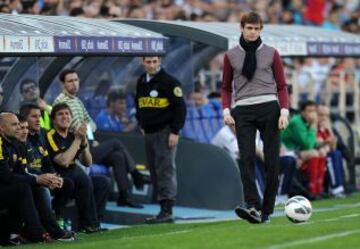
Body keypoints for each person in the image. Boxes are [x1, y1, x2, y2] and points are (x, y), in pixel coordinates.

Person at [221, 12, 289, 223]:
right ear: (241, 28)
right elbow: (225, 87)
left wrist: (284, 112)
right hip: (243, 110)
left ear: (261, 30)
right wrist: (226, 111)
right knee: (247, 158)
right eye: (249, 28)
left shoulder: (271, 53)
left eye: (257, 28)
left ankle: (266, 211)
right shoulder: (230, 55)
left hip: (270, 108)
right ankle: (253, 205)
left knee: (272, 162)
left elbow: (282, 85)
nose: (253, 32)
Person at [54, 69, 148, 208]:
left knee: (117, 156)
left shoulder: (77, 101)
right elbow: (71, 127)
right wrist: (84, 129)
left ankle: (124, 196)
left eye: (76, 80)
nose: (74, 84)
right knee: (115, 143)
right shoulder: (60, 101)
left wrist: (88, 134)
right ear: (63, 84)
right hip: (75, 149)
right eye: (70, 81)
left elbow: (92, 124)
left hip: (87, 143)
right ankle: (135, 174)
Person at [0, 112, 74, 242]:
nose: (18, 128)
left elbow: (22, 172)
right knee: (24, 188)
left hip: (6, 187)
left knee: (35, 186)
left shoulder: (16, 144)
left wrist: (47, 178)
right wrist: (36, 178)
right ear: (2, 127)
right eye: (14, 125)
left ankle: (54, 231)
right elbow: (5, 176)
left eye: (19, 124)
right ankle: (38, 233)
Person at [135, 56, 186, 224]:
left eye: (154, 61)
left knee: (166, 169)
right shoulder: (142, 80)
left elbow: (180, 107)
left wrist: (175, 131)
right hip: (148, 132)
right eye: (148, 62)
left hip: (165, 132)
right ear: (143, 62)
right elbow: (138, 103)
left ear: (160, 62)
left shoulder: (170, 82)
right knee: (155, 171)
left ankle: (167, 209)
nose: (151, 65)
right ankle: (161, 208)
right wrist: (140, 122)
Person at [45, 103, 105, 233]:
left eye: (67, 114)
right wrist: (78, 140)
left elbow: (88, 162)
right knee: (80, 178)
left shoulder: (73, 135)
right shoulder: (50, 136)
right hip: (58, 176)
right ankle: (87, 224)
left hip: (74, 174)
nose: (65, 116)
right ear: (53, 120)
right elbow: (63, 161)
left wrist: (84, 144)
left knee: (102, 183)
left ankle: (94, 223)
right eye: (60, 114)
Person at [19, 103, 75, 219]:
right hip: (30, 179)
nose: (38, 120)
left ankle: (57, 217)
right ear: (24, 119)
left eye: (39, 116)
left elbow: (47, 162)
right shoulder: (21, 139)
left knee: (67, 183)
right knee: (42, 188)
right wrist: (43, 177)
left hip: (43, 176)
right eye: (34, 116)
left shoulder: (40, 138)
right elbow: (24, 168)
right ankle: (47, 225)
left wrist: (54, 176)